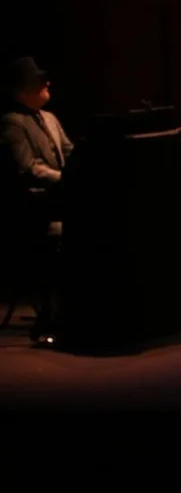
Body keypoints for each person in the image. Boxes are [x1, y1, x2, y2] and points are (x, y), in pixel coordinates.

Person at [0, 56, 74, 338]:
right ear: (22, 90)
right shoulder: (13, 123)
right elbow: (28, 167)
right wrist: (64, 179)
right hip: (34, 210)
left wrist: (85, 170)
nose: (47, 84)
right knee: (64, 232)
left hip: (60, 198)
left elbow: (69, 152)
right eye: (39, 82)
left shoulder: (50, 118)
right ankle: (55, 313)